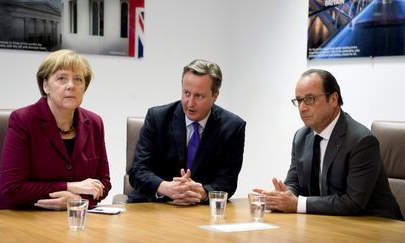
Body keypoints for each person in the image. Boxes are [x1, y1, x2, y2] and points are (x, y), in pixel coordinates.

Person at [253, 69, 403, 220]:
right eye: (299, 101)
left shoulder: (361, 141)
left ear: (333, 99)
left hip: (376, 227)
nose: (302, 108)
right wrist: (282, 196)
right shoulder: (301, 136)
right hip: (327, 221)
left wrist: (297, 204)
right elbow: (294, 182)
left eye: (310, 99)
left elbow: (353, 203)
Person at [0, 50, 111, 210]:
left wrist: (76, 201)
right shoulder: (23, 120)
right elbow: (13, 188)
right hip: (15, 214)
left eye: (78, 79)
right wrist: (70, 186)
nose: (71, 85)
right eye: (61, 78)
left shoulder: (94, 123)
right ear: (46, 85)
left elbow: (103, 184)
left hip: (68, 216)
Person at [128, 59, 246, 205]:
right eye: (186, 93)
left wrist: (202, 192)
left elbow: (227, 181)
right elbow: (138, 171)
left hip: (200, 210)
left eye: (199, 96)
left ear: (215, 96)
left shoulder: (232, 127)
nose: (190, 103)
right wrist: (165, 187)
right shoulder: (157, 118)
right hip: (153, 205)